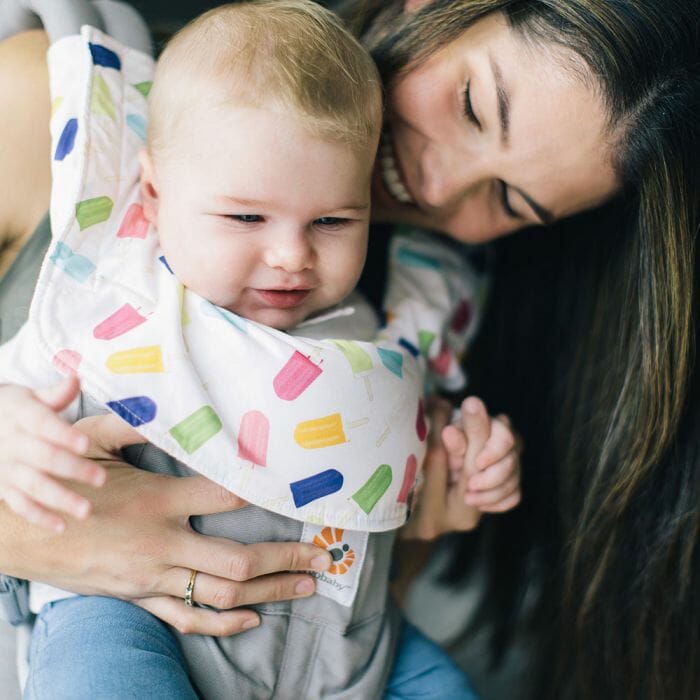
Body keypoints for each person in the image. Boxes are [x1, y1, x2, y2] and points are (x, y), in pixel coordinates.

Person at [1, 0, 695, 697]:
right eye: (473, 107)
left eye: (511, 199)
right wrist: (32, 535)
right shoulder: (61, 120)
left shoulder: (433, 304)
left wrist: (429, 504)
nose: (436, 184)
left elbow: (352, 582)